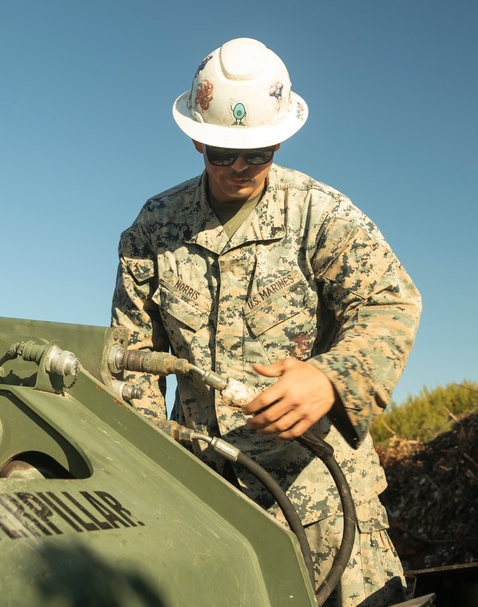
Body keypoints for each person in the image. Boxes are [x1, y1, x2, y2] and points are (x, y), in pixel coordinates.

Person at [111, 37, 421, 607]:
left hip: (325, 507)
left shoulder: (319, 213)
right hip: (208, 507)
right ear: (196, 137)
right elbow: (130, 360)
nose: (238, 168)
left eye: (256, 153)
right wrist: (153, 480)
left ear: (279, 139)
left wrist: (330, 377)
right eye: (222, 153)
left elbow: (390, 303)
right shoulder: (153, 229)